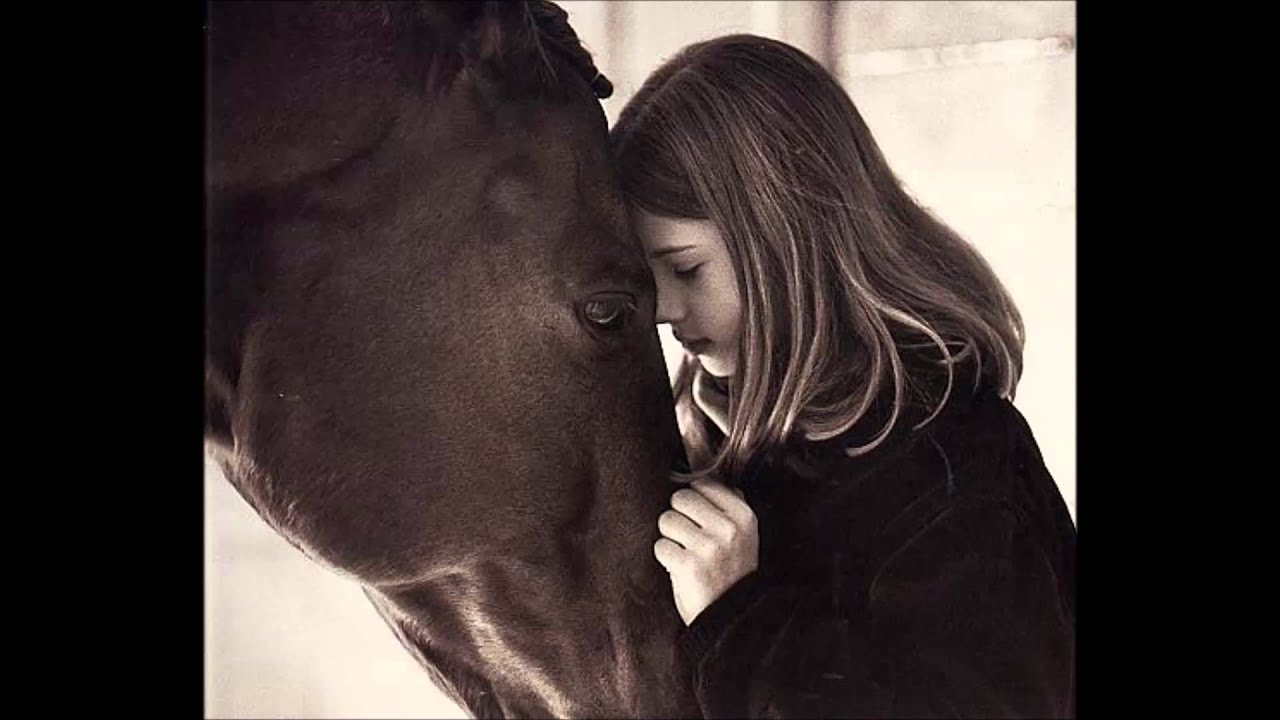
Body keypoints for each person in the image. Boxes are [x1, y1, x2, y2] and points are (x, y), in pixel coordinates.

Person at [608, 34, 1076, 718]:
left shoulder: (950, 456)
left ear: (789, 239)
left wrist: (740, 618)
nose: (665, 309)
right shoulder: (718, 441)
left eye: (685, 269)